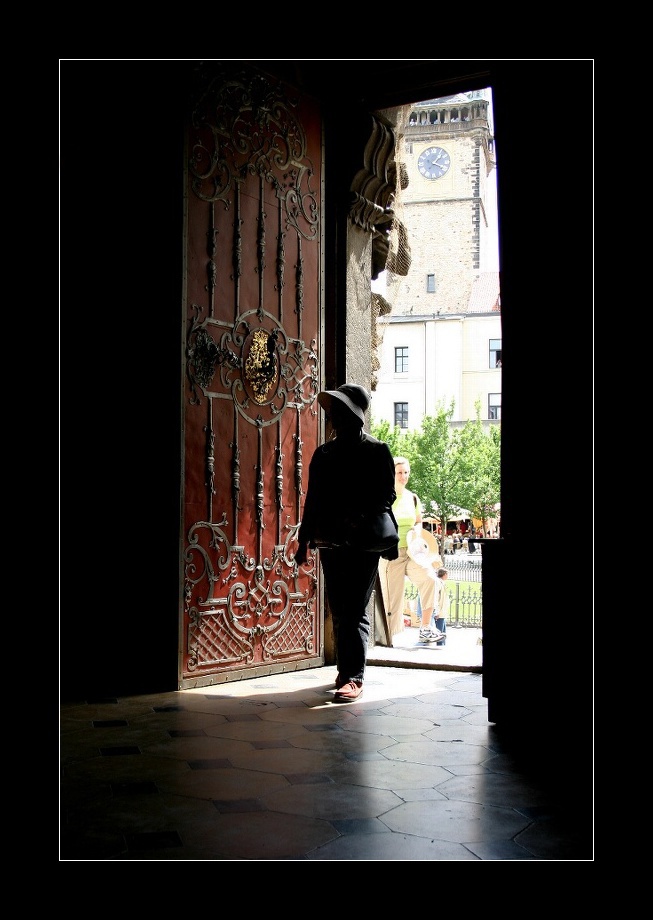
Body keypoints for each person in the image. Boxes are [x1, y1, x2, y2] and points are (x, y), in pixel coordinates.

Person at [294, 384, 399, 702]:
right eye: (333, 413)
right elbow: (312, 501)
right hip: (331, 541)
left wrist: (358, 515)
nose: (333, 418)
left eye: (340, 412)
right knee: (339, 607)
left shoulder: (377, 451)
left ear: (354, 417)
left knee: (354, 608)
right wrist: (303, 541)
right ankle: (346, 671)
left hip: (364, 542)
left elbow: (387, 495)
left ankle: (353, 676)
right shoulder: (323, 455)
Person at [379, 457, 445, 643]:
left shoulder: (413, 498)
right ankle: (388, 639)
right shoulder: (384, 495)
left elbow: (418, 521)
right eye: (399, 472)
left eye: (406, 472)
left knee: (430, 579)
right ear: (392, 473)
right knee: (392, 600)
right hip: (391, 553)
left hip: (412, 552)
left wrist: (416, 530)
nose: (403, 476)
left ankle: (426, 628)